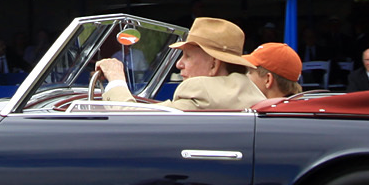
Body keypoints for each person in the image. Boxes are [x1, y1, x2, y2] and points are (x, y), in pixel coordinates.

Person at [95, 16, 263, 111]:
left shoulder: (202, 92)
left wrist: (116, 79)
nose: (179, 64)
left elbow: (131, 119)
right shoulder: (250, 92)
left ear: (214, 65)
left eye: (187, 56)